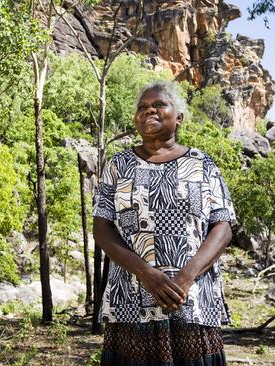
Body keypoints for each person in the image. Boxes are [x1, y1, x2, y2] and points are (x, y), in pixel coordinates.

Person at [92, 80, 237, 365]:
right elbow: (102, 227)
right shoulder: (118, 166)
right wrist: (147, 274)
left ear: (178, 117)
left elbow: (222, 226)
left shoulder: (202, 165)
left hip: (192, 300)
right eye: (143, 107)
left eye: (159, 104)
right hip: (131, 299)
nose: (150, 111)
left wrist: (185, 278)